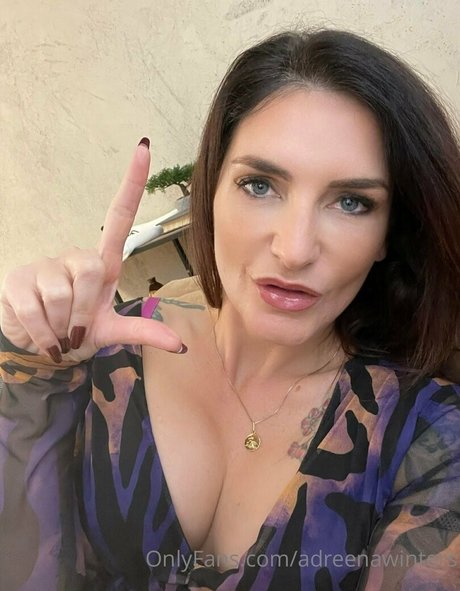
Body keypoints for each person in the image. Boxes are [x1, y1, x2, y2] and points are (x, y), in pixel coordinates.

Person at [1, 27, 459, 591]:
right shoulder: (103, 353)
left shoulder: (429, 438)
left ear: (389, 233)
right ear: (211, 191)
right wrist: (34, 369)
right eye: (260, 185)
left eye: (351, 202)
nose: (294, 249)